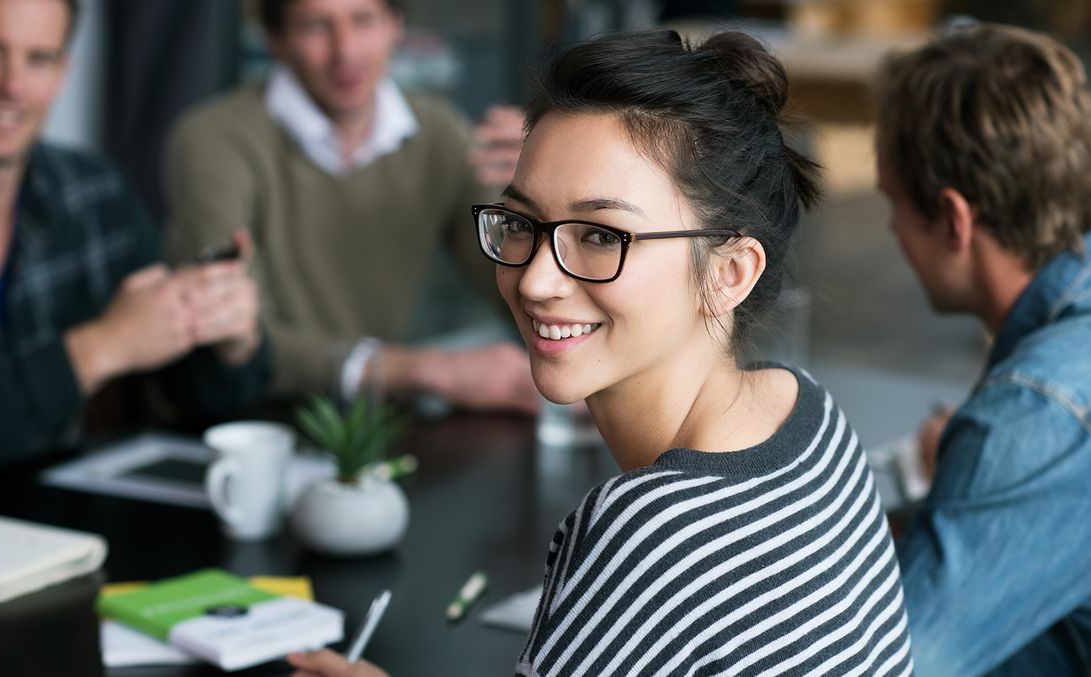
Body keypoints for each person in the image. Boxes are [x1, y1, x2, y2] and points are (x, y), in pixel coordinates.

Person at [286, 29, 913, 677]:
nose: (535, 279)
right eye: (521, 222)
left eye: (600, 235)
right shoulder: (807, 412)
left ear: (730, 271)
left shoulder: (652, 531)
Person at [164, 0, 538, 413]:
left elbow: (514, 289)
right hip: (244, 422)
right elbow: (235, 333)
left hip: (370, 425)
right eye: (315, 27)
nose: (346, 51)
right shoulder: (214, 139)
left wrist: (542, 198)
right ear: (277, 41)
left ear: (396, 25)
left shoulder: (438, 133)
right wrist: (430, 370)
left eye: (363, 20)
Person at [0, 0, 268, 475]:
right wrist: (100, 347)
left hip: (54, 526)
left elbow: (198, 400)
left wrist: (226, 338)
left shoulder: (93, 193)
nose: (12, 87)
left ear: (63, 72)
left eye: (39, 59)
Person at [874, 23, 1091, 675]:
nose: (889, 229)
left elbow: (894, 664)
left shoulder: (1035, 413)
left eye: (893, 204)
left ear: (953, 219)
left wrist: (994, 457)